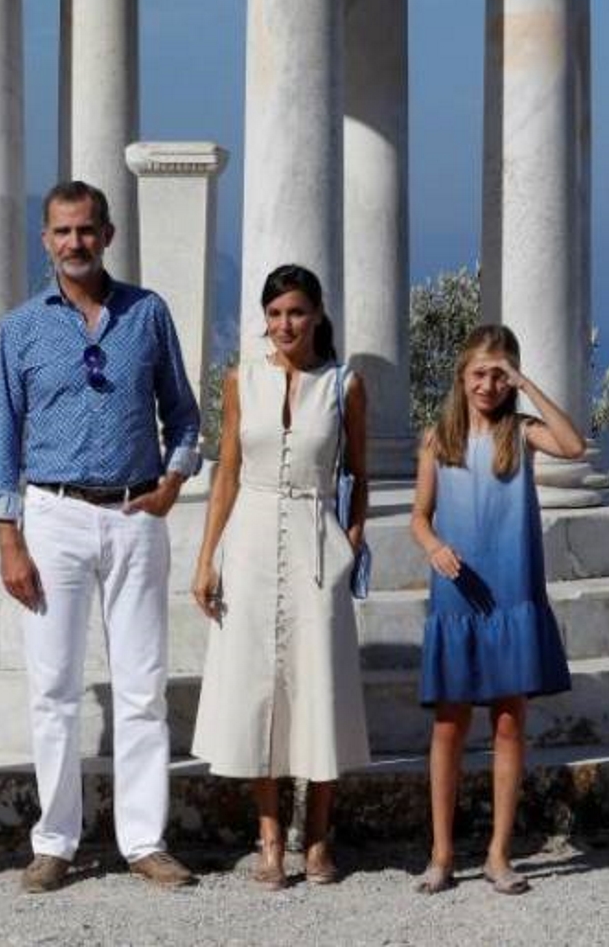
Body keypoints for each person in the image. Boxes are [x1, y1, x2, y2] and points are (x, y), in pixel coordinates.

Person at [0, 180, 202, 894]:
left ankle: (144, 840)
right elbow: (1, 444)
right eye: (61, 232)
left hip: (136, 512)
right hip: (52, 516)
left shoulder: (148, 314)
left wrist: (171, 483)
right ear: (45, 240)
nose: (74, 243)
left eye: (86, 230)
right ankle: (54, 841)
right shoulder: (19, 329)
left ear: (107, 235)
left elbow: (185, 417)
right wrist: (8, 540)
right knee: (53, 688)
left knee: (141, 686)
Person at [189, 264, 371, 889]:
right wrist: (206, 557)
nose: (284, 324)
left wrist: (352, 539)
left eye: (295, 312)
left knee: (317, 684)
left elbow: (360, 473)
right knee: (258, 688)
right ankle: (268, 837)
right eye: (274, 314)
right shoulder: (242, 379)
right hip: (251, 536)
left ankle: (317, 837)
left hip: (317, 537)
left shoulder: (345, 384)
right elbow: (228, 472)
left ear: (317, 314)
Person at [409, 324, 583, 896]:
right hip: (458, 595)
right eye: (480, 373)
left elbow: (574, 444)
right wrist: (434, 547)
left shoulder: (523, 432)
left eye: (499, 375)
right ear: (462, 376)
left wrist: (527, 383)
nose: (489, 384)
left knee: (509, 724)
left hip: (512, 591)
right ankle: (440, 853)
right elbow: (420, 515)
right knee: (448, 726)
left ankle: (499, 854)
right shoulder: (438, 439)